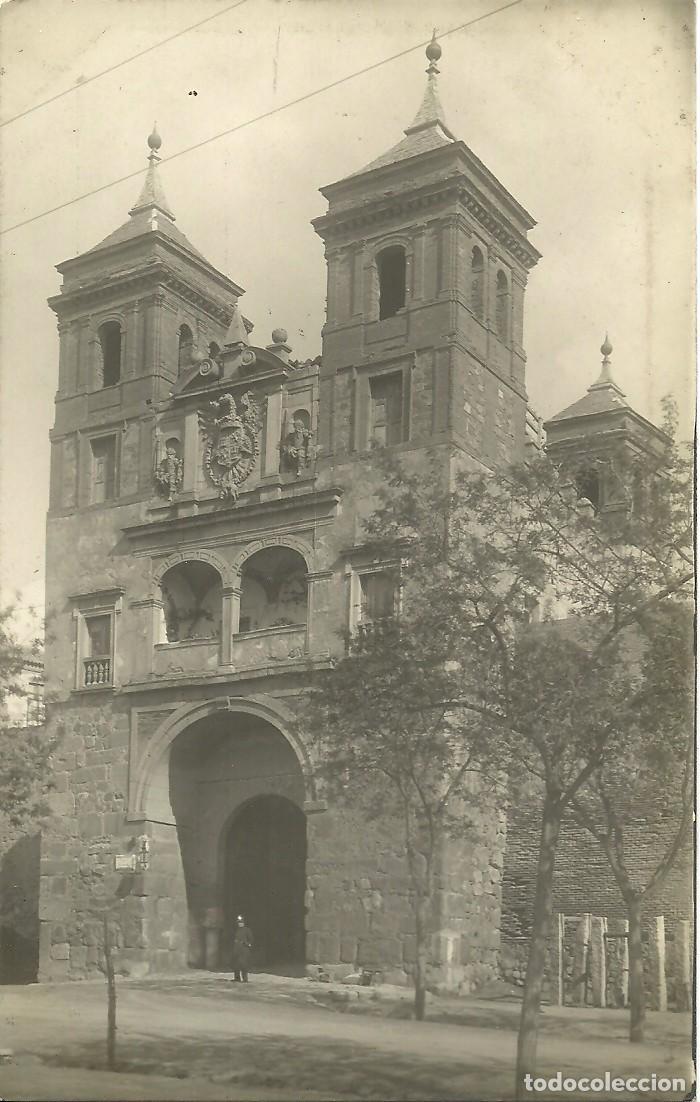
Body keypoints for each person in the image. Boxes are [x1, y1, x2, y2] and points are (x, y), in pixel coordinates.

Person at [232, 914, 253, 982]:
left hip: (244, 951)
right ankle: (237, 978)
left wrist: (245, 943)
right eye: (238, 922)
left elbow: (251, 941)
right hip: (237, 950)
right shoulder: (237, 930)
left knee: (243, 965)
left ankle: (245, 979)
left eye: (241, 922)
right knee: (236, 965)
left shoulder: (247, 930)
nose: (240, 924)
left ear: (243, 923)